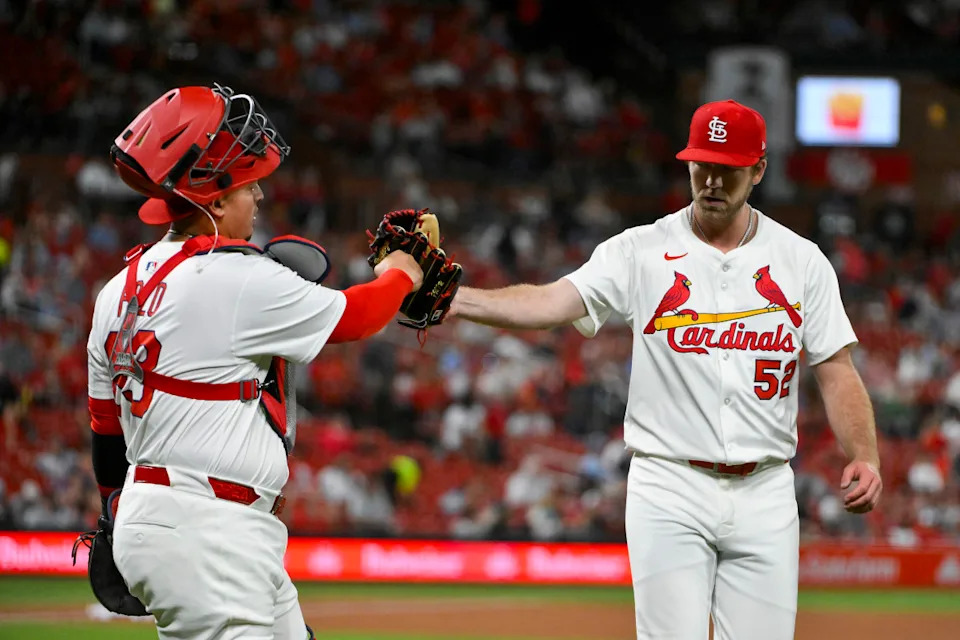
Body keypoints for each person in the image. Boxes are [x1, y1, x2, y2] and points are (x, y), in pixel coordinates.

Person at [449, 99, 882, 639]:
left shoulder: (801, 260)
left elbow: (836, 368)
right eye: (702, 165)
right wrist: (457, 301)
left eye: (727, 169)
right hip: (668, 483)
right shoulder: (640, 251)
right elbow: (552, 303)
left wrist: (864, 454)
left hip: (767, 488)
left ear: (759, 171)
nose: (712, 181)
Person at [87, 84, 424, 639]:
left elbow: (105, 429)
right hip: (206, 528)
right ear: (215, 202)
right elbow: (356, 317)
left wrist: (115, 514)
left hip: (193, 522)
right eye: (249, 186)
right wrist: (404, 271)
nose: (261, 197)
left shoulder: (117, 288)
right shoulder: (234, 278)